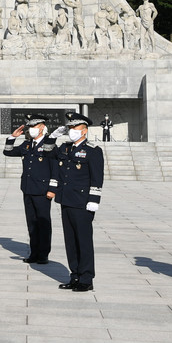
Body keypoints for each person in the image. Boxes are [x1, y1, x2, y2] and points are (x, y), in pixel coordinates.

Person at [47, 113, 102, 292]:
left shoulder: (93, 150)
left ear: (84, 130)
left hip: (82, 202)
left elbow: (97, 178)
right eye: (69, 128)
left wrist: (94, 200)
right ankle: (75, 275)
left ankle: (86, 278)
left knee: (83, 241)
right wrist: (54, 135)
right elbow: (47, 150)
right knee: (70, 241)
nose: (71, 131)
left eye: (74, 128)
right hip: (66, 200)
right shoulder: (64, 148)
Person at [2, 115, 60, 263]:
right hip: (28, 188)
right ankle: (34, 253)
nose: (31, 129)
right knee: (32, 223)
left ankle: (43, 254)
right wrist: (12, 137)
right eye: (30, 126)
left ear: (42, 127)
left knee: (43, 222)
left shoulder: (49, 145)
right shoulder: (27, 145)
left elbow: (55, 168)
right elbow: (8, 152)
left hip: (42, 190)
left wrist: (52, 188)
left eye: (34, 126)